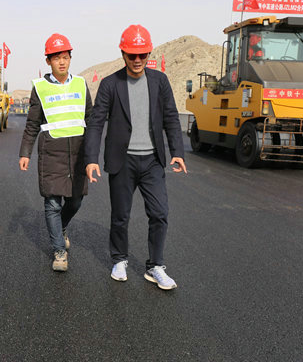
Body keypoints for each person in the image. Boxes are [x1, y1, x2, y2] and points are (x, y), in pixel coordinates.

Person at [83, 24, 187, 290]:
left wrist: (177, 152)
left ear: (149, 53)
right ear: (123, 54)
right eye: (132, 55)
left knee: (160, 213)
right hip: (122, 161)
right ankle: (119, 259)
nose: (138, 60)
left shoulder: (160, 81)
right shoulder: (110, 84)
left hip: (152, 161)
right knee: (120, 215)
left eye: (142, 54)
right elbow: (96, 123)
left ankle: (155, 266)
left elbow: (171, 117)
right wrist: (91, 159)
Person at [19, 33, 93, 272]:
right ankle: (59, 251)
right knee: (52, 203)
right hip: (51, 153)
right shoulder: (40, 88)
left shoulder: (81, 84)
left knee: (76, 200)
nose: (62, 62)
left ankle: (61, 227)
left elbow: (91, 119)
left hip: (78, 153)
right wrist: (25, 152)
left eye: (65, 57)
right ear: (48, 61)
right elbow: (32, 124)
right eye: (56, 58)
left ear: (70, 58)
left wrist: (93, 154)